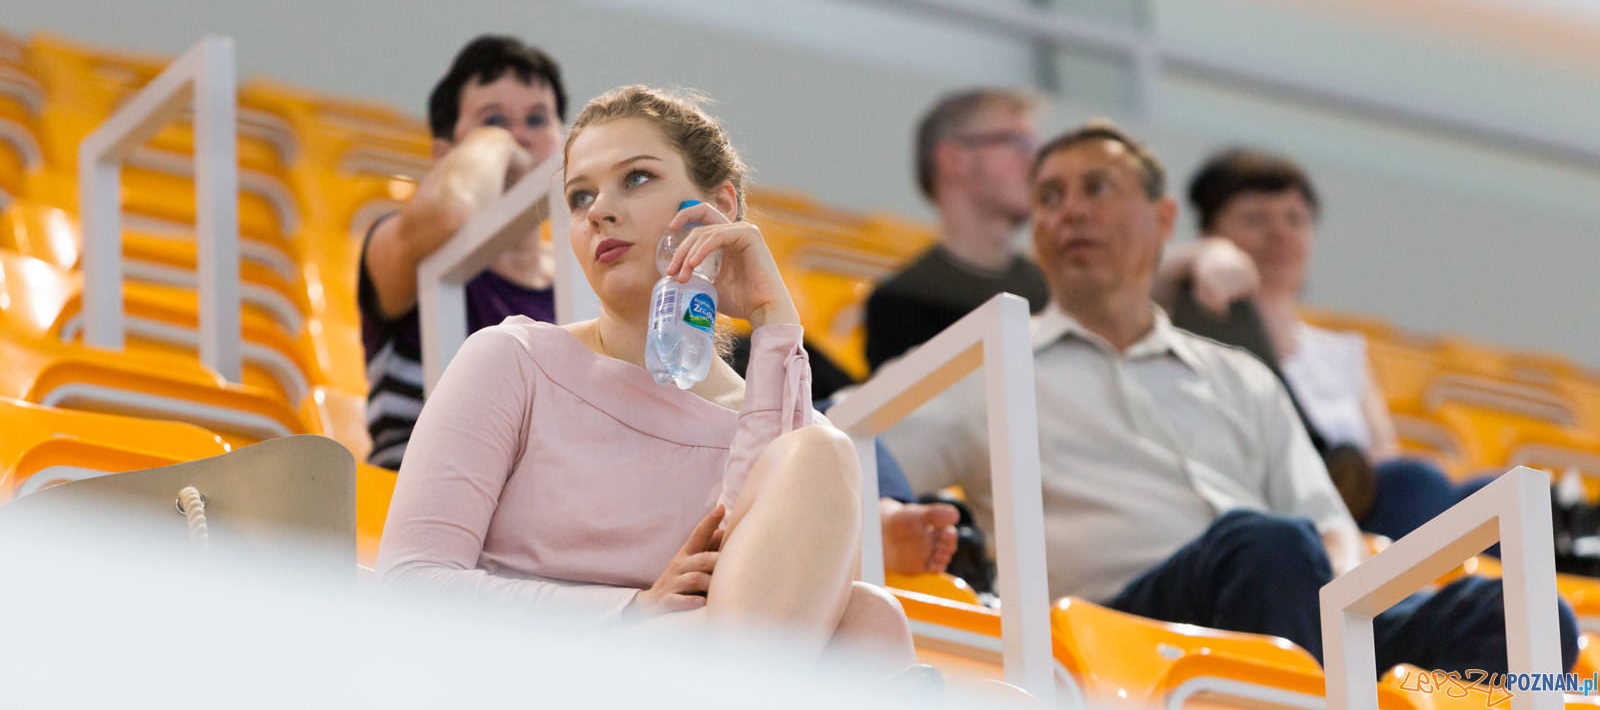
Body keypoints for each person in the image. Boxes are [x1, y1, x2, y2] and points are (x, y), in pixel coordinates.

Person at [882, 121, 1576, 675]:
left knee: (1522, 610)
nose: (1071, 212)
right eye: (1052, 196)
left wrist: (1362, 599)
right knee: (1262, 544)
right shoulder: (989, 366)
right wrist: (886, 516)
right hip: (1116, 622)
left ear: (1161, 219)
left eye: (1097, 188)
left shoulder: (1240, 375)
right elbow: (847, 435)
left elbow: (1328, 526)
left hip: (1293, 601)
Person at [377, 86, 916, 668]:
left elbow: (778, 596)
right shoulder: (511, 360)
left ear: (720, 207)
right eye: (579, 197)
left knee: (864, 608)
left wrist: (772, 322)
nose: (599, 211)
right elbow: (411, 587)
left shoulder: (795, 439)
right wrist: (632, 610)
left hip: (706, 674)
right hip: (524, 677)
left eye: (636, 179)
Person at [1159, 148, 1493, 541]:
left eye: (1295, 219)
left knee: (1500, 497)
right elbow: (1131, 282)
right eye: (1255, 219)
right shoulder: (1187, 319)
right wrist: (1203, 256)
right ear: (1210, 231)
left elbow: (1381, 453)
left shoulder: (1341, 355)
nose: (1279, 233)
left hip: (1355, 505)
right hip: (1270, 507)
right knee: (1415, 483)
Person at [360, 36, 565, 470]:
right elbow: (451, 212)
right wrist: (497, 144)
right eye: (493, 120)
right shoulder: (397, 243)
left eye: (537, 119)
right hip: (406, 501)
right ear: (445, 154)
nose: (520, 137)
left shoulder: (587, 281)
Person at [864, 89, 1050, 373]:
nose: (1038, 164)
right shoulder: (902, 303)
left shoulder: (1055, 295)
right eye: (1020, 144)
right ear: (954, 159)